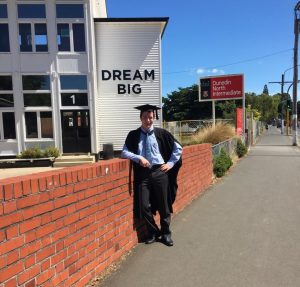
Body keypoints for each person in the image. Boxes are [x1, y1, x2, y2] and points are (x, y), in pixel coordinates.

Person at [121, 104, 182, 246]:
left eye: (150, 117)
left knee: (164, 205)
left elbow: (178, 149)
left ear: (153, 118)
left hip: (160, 172)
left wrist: (170, 164)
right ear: (140, 118)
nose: (148, 120)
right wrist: (138, 158)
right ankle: (153, 232)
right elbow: (124, 152)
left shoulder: (162, 133)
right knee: (143, 205)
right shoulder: (133, 135)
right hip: (143, 174)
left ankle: (166, 233)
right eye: (145, 118)